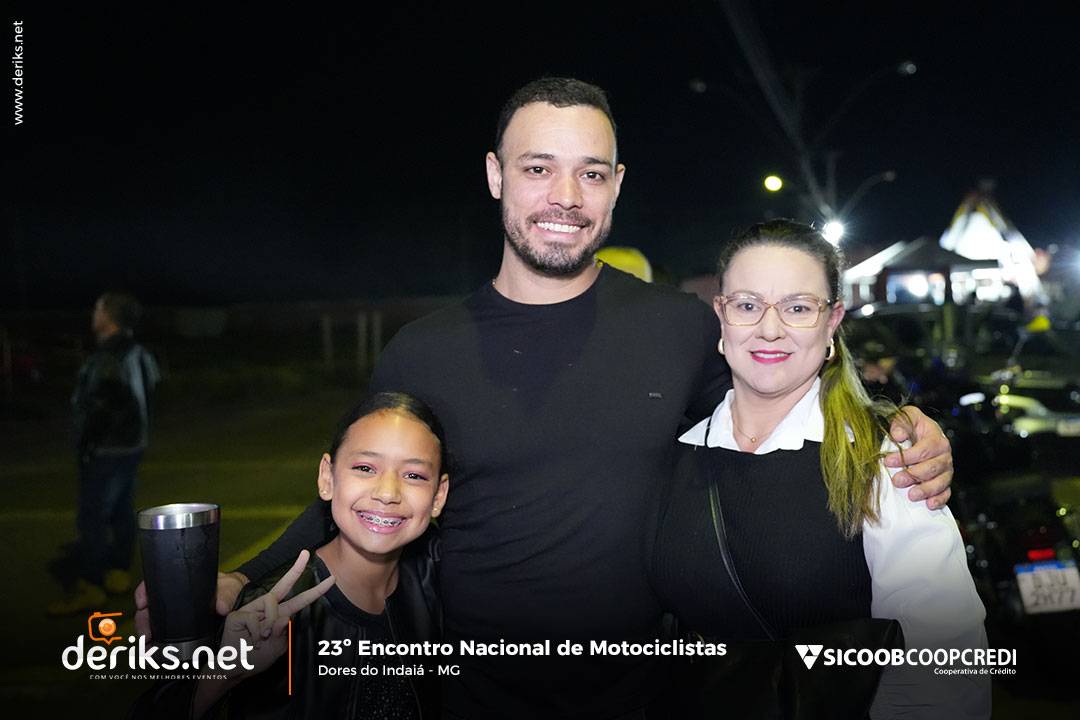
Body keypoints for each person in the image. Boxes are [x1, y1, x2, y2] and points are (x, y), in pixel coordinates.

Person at [138, 78, 955, 719]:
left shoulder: (678, 329)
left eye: (590, 173)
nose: (566, 196)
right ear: (496, 175)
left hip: (651, 700)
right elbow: (354, 496)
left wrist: (902, 428)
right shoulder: (423, 350)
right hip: (469, 700)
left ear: (616, 185)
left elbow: (783, 390)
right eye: (538, 168)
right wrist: (240, 578)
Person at [650, 220, 989, 717]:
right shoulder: (679, 451)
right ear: (721, 314)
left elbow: (944, 661)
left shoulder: (880, 460)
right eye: (747, 305)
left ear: (832, 320)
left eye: (797, 308)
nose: (770, 329)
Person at [138, 392, 448, 718]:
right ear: (327, 478)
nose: (387, 493)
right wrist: (221, 675)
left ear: (439, 496)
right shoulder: (263, 611)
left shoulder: (442, 581)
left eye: (414, 475)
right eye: (365, 468)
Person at [50, 292, 160, 615]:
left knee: (92, 516)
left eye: (98, 309)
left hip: (107, 448)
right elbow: (151, 391)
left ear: (109, 317)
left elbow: (101, 404)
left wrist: (88, 440)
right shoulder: (139, 352)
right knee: (122, 508)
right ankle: (118, 572)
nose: (93, 314)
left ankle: (91, 586)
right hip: (133, 445)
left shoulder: (108, 356)